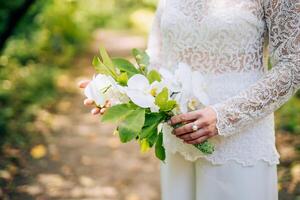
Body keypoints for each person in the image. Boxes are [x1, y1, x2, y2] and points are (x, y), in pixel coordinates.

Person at [79, 0, 300, 199]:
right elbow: (158, 60)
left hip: (239, 139)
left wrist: (224, 116)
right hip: (178, 137)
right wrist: (117, 93)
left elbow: (293, 65)